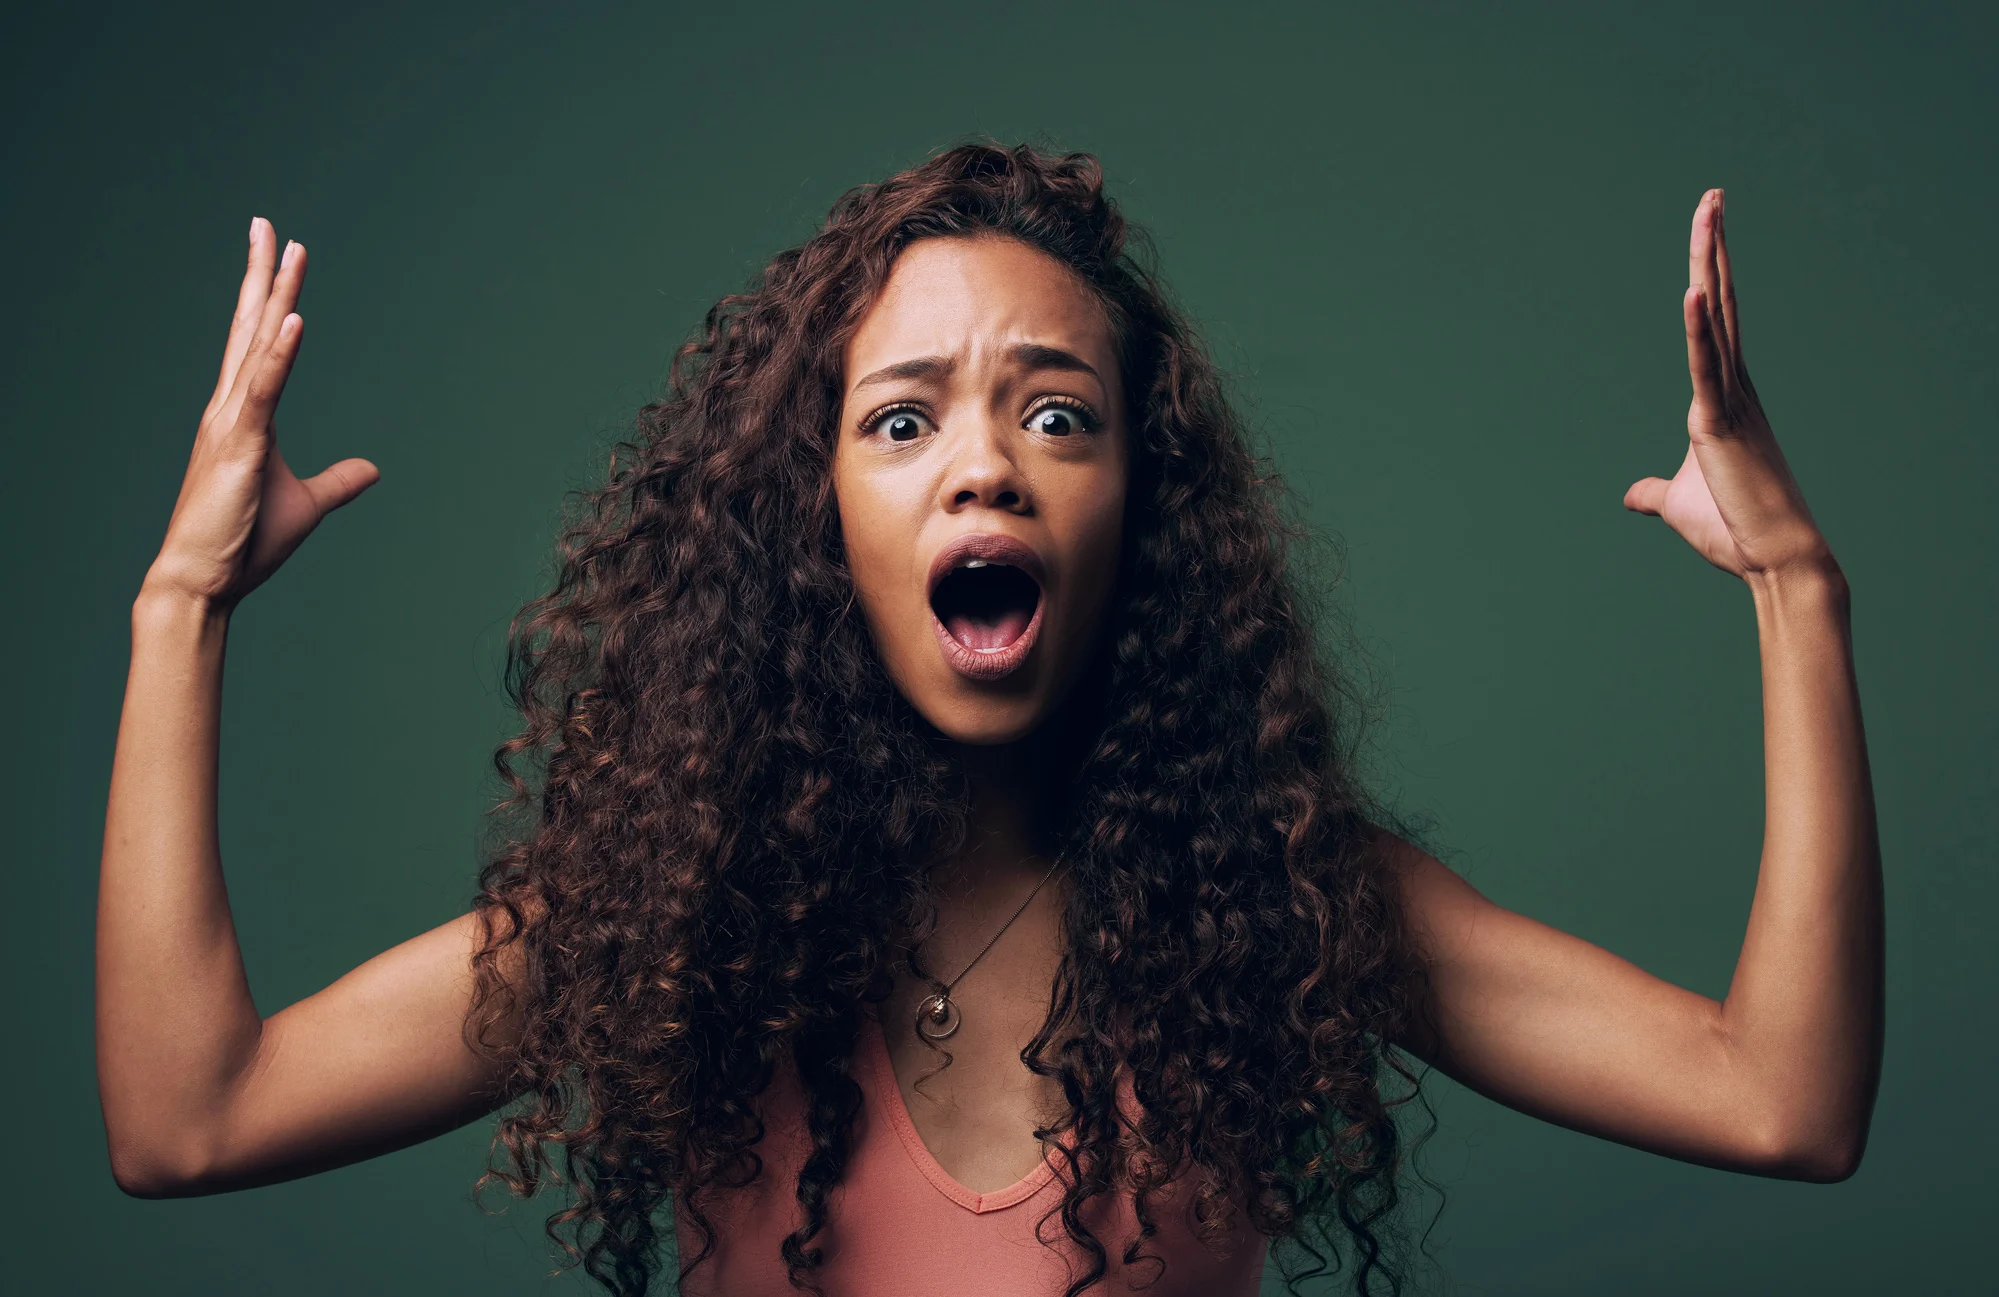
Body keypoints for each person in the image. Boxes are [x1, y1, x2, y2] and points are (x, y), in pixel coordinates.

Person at [96, 144, 1882, 1297]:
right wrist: (178, 612)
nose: (982, 465)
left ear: (1139, 511)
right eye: (900, 421)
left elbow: (1780, 1101)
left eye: (1055, 416)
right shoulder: (678, 919)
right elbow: (188, 1120)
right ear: (816, 525)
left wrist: (1797, 593)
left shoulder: (1286, 907)